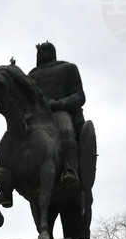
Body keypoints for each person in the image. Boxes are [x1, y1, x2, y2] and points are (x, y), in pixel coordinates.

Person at [28, 41, 85, 187]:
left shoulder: (67, 68)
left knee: (66, 129)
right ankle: (8, 183)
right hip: (36, 118)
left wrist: (59, 104)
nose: (40, 54)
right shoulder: (31, 76)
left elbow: (79, 96)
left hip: (59, 113)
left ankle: (70, 170)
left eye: (44, 51)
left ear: (52, 53)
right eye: (38, 52)